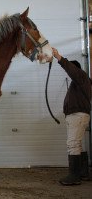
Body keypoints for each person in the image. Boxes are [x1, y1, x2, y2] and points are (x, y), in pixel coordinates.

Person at [52, 47, 91, 185]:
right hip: (77, 116)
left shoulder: (80, 76)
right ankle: (83, 173)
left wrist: (58, 57)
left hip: (77, 116)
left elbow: (72, 69)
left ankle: (74, 177)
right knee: (76, 144)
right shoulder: (79, 82)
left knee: (73, 144)